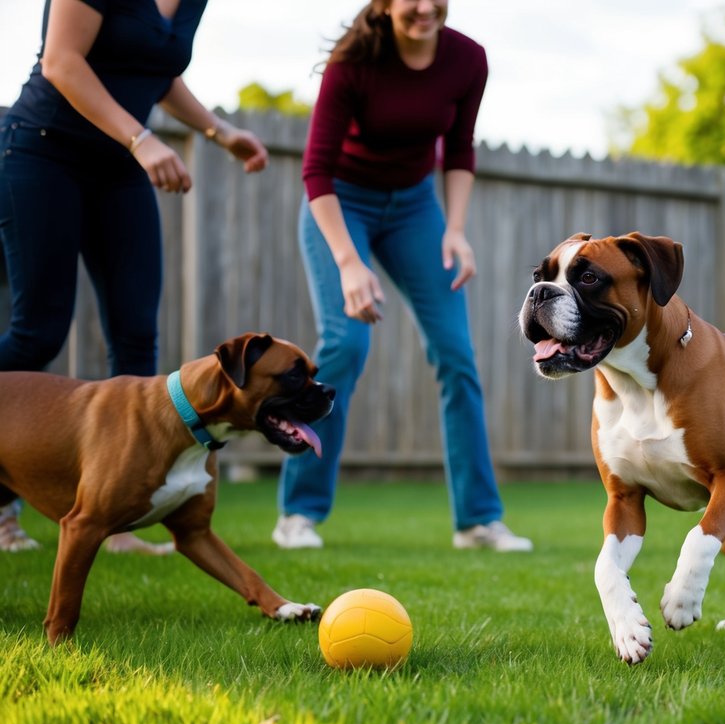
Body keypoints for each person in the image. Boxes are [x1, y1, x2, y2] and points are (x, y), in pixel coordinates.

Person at [0, 0, 268, 554]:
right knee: (39, 332)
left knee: (135, 335)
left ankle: (118, 511)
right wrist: (141, 138)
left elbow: (158, 69)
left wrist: (219, 131)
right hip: (43, 150)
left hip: (116, 170)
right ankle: (3, 510)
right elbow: (62, 62)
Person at [271, 0, 530, 552]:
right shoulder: (354, 62)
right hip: (342, 205)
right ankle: (299, 512)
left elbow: (459, 149)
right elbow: (315, 170)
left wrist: (455, 229)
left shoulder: (467, 60)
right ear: (384, 4)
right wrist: (348, 262)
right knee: (345, 345)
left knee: (456, 354)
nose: (423, 7)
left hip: (416, 209)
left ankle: (478, 520)